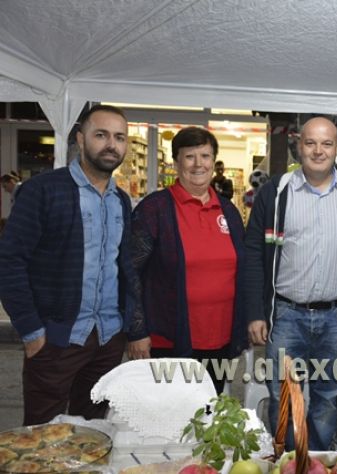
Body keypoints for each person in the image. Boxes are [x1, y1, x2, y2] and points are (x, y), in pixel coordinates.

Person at [242, 116, 337, 450]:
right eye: (311, 143)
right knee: (285, 400)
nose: (318, 151)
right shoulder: (275, 193)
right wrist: (255, 312)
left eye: (326, 143)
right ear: (298, 145)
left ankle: (316, 464)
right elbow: (252, 254)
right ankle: (289, 463)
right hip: (285, 316)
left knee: (327, 402)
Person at [0, 104, 136, 425]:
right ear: (81, 139)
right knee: (44, 433)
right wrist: (32, 331)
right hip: (56, 339)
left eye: (119, 137)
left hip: (107, 338)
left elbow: (123, 266)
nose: (111, 145)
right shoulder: (42, 190)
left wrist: (127, 325)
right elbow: (9, 261)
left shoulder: (120, 200)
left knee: (95, 430)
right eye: (101, 135)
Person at [126, 127, 247, 393]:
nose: (198, 164)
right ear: (176, 162)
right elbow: (129, 271)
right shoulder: (155, 209)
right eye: (190, 156)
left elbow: (242, 269)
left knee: (209, 405)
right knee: (170, 408)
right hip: (169, 339)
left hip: (221, 339)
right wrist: (136, 331)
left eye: (205, 156)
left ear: (213, 161)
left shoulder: (228, 211)